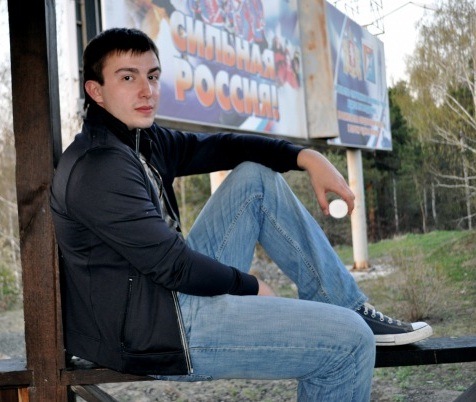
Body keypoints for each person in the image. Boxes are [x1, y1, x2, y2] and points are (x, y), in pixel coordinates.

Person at [50, 27, 432, 401]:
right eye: (127, 78)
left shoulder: (141, 140)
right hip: (155, 334)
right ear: (96, 91)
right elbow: (173, 265)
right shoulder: (99, 166)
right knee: (348, 342)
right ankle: (350, 322)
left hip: (163, 302)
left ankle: (344, 303)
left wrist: (306, 157)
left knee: (254, 179)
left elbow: (224, 146)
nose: (146, 90)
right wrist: (249, 286)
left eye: (152, 76)